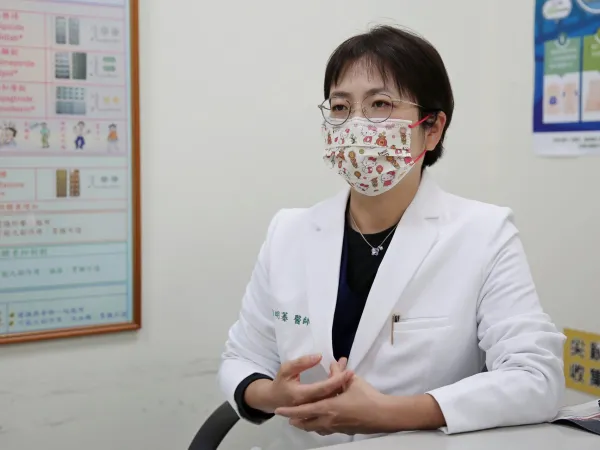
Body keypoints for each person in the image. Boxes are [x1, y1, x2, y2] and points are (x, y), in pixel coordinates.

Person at [218, 25, 565, 449]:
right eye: (341, 107)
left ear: (432, 128)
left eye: (380, 104)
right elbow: (242, 358)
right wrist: (272, 394)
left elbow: (537, 379)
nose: (356, 125)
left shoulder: (484, 233)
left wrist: (389, 414)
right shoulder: (288, 232)